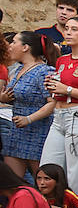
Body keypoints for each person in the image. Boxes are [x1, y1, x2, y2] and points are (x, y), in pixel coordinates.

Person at [23, 15, 78, 199]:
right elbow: (60, 90)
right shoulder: (62, 60)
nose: (68, 32)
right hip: (60, 116)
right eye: (67, 28)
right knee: (48, 169)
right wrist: (54, 86)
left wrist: (68, 89)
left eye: (74, 29)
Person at [0, 30, 57, 181]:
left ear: (25, 47)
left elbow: (52, 103)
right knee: (11, 181)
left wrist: (29, 119)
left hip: (38, 131)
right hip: (16, 131)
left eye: (14, 42)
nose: (10, 46)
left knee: (43, 180)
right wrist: (4, 98)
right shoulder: (19, 69)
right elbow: (16, 95)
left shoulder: (44, 71)